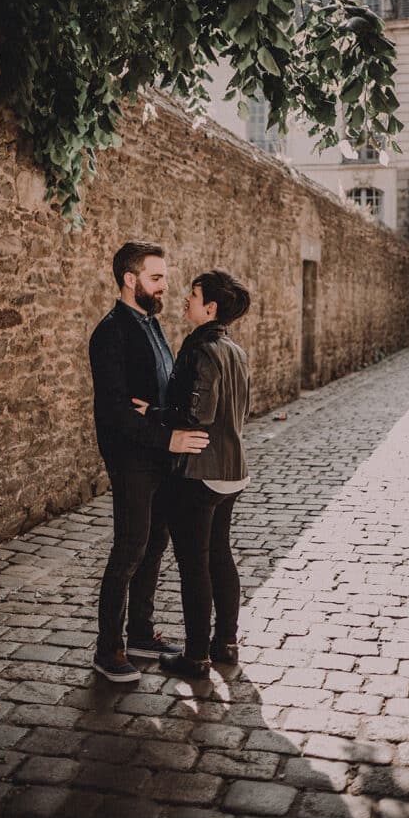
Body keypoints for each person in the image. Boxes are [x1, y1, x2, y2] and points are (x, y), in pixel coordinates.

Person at [89, 241, 210, 682]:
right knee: (129, 550)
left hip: (159, 459)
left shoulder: (152, 324)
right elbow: (115, 412)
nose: (165, 286)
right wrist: (168, 436)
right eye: (156, 278)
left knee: (154, 545)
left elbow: (163, 390)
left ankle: (140, 633)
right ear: (129, 279)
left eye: (164, 277)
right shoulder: (110, 333)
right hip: (132, 460)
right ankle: (108, 649)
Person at [133, 269, 251, 679]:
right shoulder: (235, 349)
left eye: (194, 294)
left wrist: (153, 412)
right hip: (233, 471)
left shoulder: (201, 349)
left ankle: (197, 656)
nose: (186, 298)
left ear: (211, 308)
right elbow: (241, 412)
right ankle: (226, 643)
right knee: (220, 556)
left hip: (201, 473)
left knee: (194, 564)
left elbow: (196, 414)